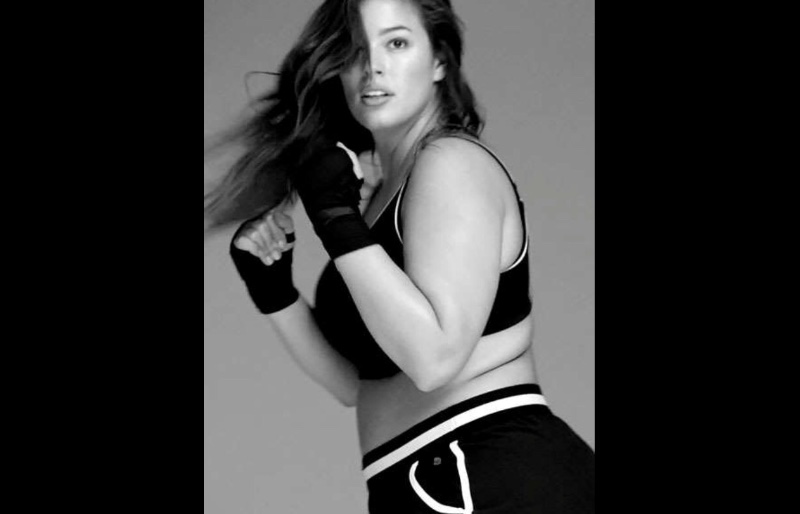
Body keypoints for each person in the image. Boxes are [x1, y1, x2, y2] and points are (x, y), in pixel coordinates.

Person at [204, 0, 595, 511]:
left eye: (396, 43)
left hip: (484, 468)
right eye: (354, 50)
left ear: (439, 61)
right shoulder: (382, 197)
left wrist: (333, 216)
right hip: (421, 481)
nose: (374, 66)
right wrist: (274, 291)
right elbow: (356, 384)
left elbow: (432, 360)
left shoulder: (450, 164)